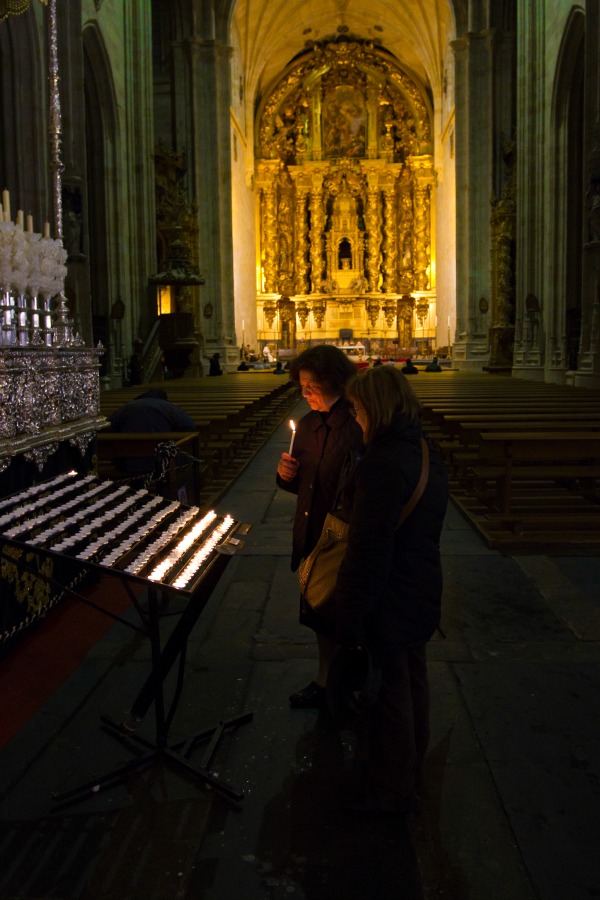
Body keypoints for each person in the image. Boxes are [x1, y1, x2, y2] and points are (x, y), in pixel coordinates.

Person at [330, 365, 448, 814]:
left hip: (390, 593)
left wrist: (349, 617)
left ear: (375, 409)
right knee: (413, 680)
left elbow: (368, 551)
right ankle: (412, 769)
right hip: (420, 583)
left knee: (389, 693)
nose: (355, 418)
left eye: (358, 409)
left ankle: (392, 788)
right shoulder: (422, 448)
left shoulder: (381, 465)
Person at [276, 345, 363, 709]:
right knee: (317, 612)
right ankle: (325, 680)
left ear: (334, 380)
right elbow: (303, 483)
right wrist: (286, 475)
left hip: (344, 538)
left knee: (346, 614)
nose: (305, 392)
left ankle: (351, 685)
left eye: (311, 385)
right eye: (302, 385)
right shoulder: (308, 424)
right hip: (312, 532)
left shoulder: (357, 424)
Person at [108, 388, 196, 473]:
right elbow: (189, 426)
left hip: (129, 460)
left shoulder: (127, 407)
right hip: (163, 459)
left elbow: (109, 427)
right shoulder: (168, 407)